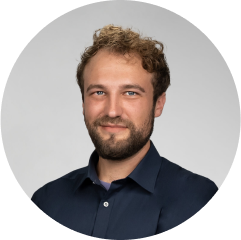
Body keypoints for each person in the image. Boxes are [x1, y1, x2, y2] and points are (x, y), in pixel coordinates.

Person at [31, 24, 218, 239]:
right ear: (83, 102)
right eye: (98, 92)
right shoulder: (46, 201)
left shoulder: (198, 200)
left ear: (158, 104)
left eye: (130, 93)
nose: (112, 110)